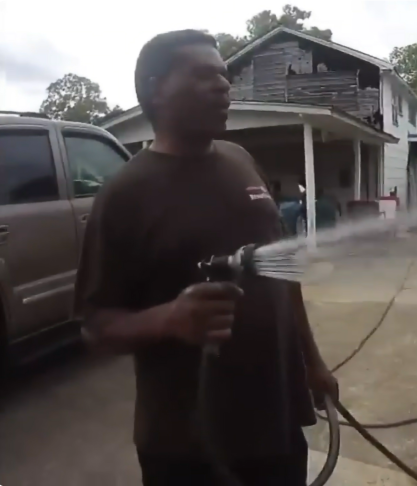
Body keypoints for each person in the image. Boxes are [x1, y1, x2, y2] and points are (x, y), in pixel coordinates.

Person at [74, 30, 338, 486]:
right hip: (186, 447)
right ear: (156, 89)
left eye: (223, 75)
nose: (222, 86)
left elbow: (281, 271)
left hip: (276, 424)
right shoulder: (124, 194)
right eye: (202, 75)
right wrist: (169, 319)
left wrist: (312, 361)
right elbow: (95, 327)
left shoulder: (241, 160)